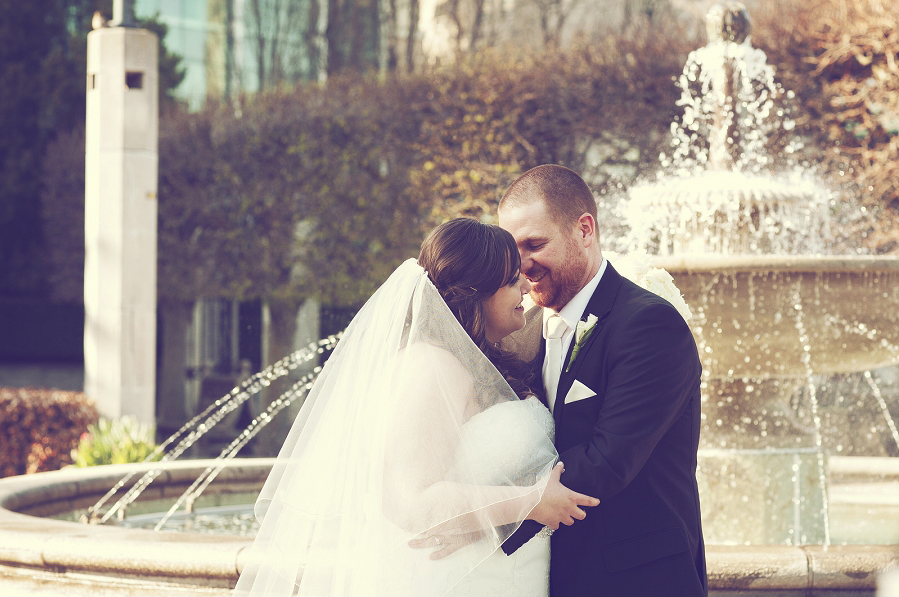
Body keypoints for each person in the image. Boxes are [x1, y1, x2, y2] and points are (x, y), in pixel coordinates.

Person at [233, 217, 598, 597]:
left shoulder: (484, 360)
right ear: (475, 294)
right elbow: (411, 502)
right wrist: (530, 502)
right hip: (459, 582)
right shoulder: (431, 365)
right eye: (510, 281)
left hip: (502, 574)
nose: (526, 285)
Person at [497, 164, 708, 597]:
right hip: (555, 576)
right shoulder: (522, 331)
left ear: (585, 230)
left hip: (637, 578)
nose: (522, 266)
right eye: (513, 251)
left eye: (535, 244)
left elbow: (607, 462)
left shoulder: (648, 324)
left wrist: (482, 511)